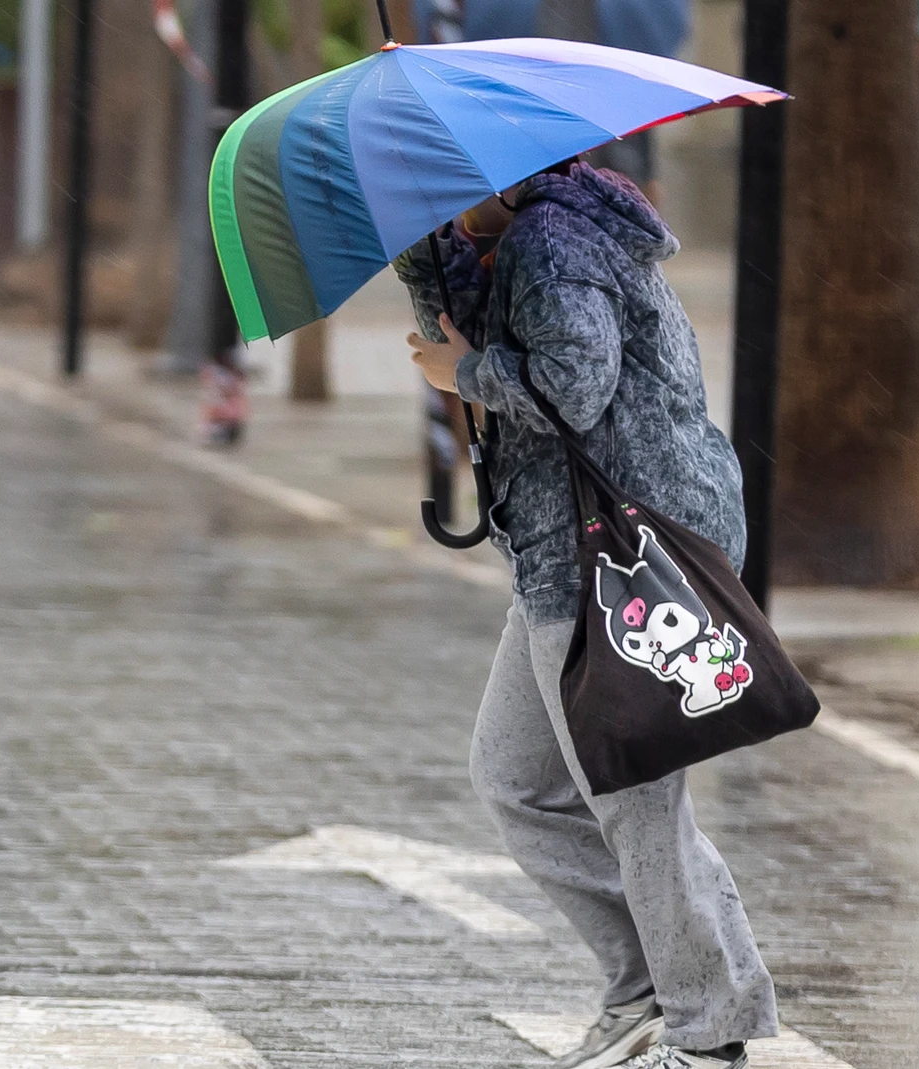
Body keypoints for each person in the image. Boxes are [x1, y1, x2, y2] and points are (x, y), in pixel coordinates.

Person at [396, 159, 774, 1069]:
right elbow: (476, 336)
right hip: (564, 552)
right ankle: (650, 989)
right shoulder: (517, 240)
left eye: (443, 190)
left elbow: (574, 386)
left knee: (632, 798)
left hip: (623, 552)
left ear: (502, 174)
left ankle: (707, 1022)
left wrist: (470, 371)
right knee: (515, 777)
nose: (437, 209)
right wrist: (423, 263)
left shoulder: (554, 243)